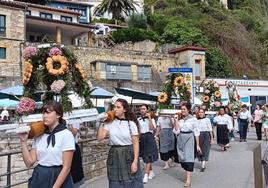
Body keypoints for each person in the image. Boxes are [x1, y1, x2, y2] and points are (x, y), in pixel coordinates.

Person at [18, 101, 75, 188]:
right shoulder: (40, 135)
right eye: (43, 113)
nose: (44, 116)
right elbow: (29, 163)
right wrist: (23, 141)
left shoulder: (66, 134)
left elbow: (66, 167)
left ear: (58, 115)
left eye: (48, 112)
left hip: (58, 177)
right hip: (40, 176)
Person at [96, 98, 143, 188]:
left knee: (131, 180)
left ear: (124, 109)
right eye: (114, 107)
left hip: (128, 154)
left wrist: (135, 162)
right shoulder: (110, 123)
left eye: (118, 107)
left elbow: (136, 144)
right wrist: (102, 122)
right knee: (115, 182)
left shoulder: (131, 124)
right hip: (115, 155)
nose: (115, 109)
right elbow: (99, 138)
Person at [173, 103, 200, 187]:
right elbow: (176, 131)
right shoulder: (180, 120)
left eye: (184, 109)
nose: (183, 111)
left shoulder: (193, 119)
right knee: (182, 158)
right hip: (180, 138)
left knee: (189, 158)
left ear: (188, 110)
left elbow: (196, 132)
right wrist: (176, 121)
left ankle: (188, 179)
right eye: (182, 109)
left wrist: (198, 145)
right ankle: (187, 174)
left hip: (189, 138)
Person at [138, 104, 158, 184]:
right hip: (142, 138)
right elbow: (138, 130)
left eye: (144, 109)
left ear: (147, 110)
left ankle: (146, 174)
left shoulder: (151, 119)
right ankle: (151, 171)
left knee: (148, 156)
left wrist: (149, 118)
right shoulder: (138, 119)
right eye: (141, 109)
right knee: (144, 156)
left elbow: (152, 128)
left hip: (149, 137)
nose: (142, 110)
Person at [68, 123, 85, 188]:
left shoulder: (73, 119)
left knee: (74, 174)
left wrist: (69, 127)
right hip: (61, 148)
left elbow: (74, 133)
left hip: (72, 146)